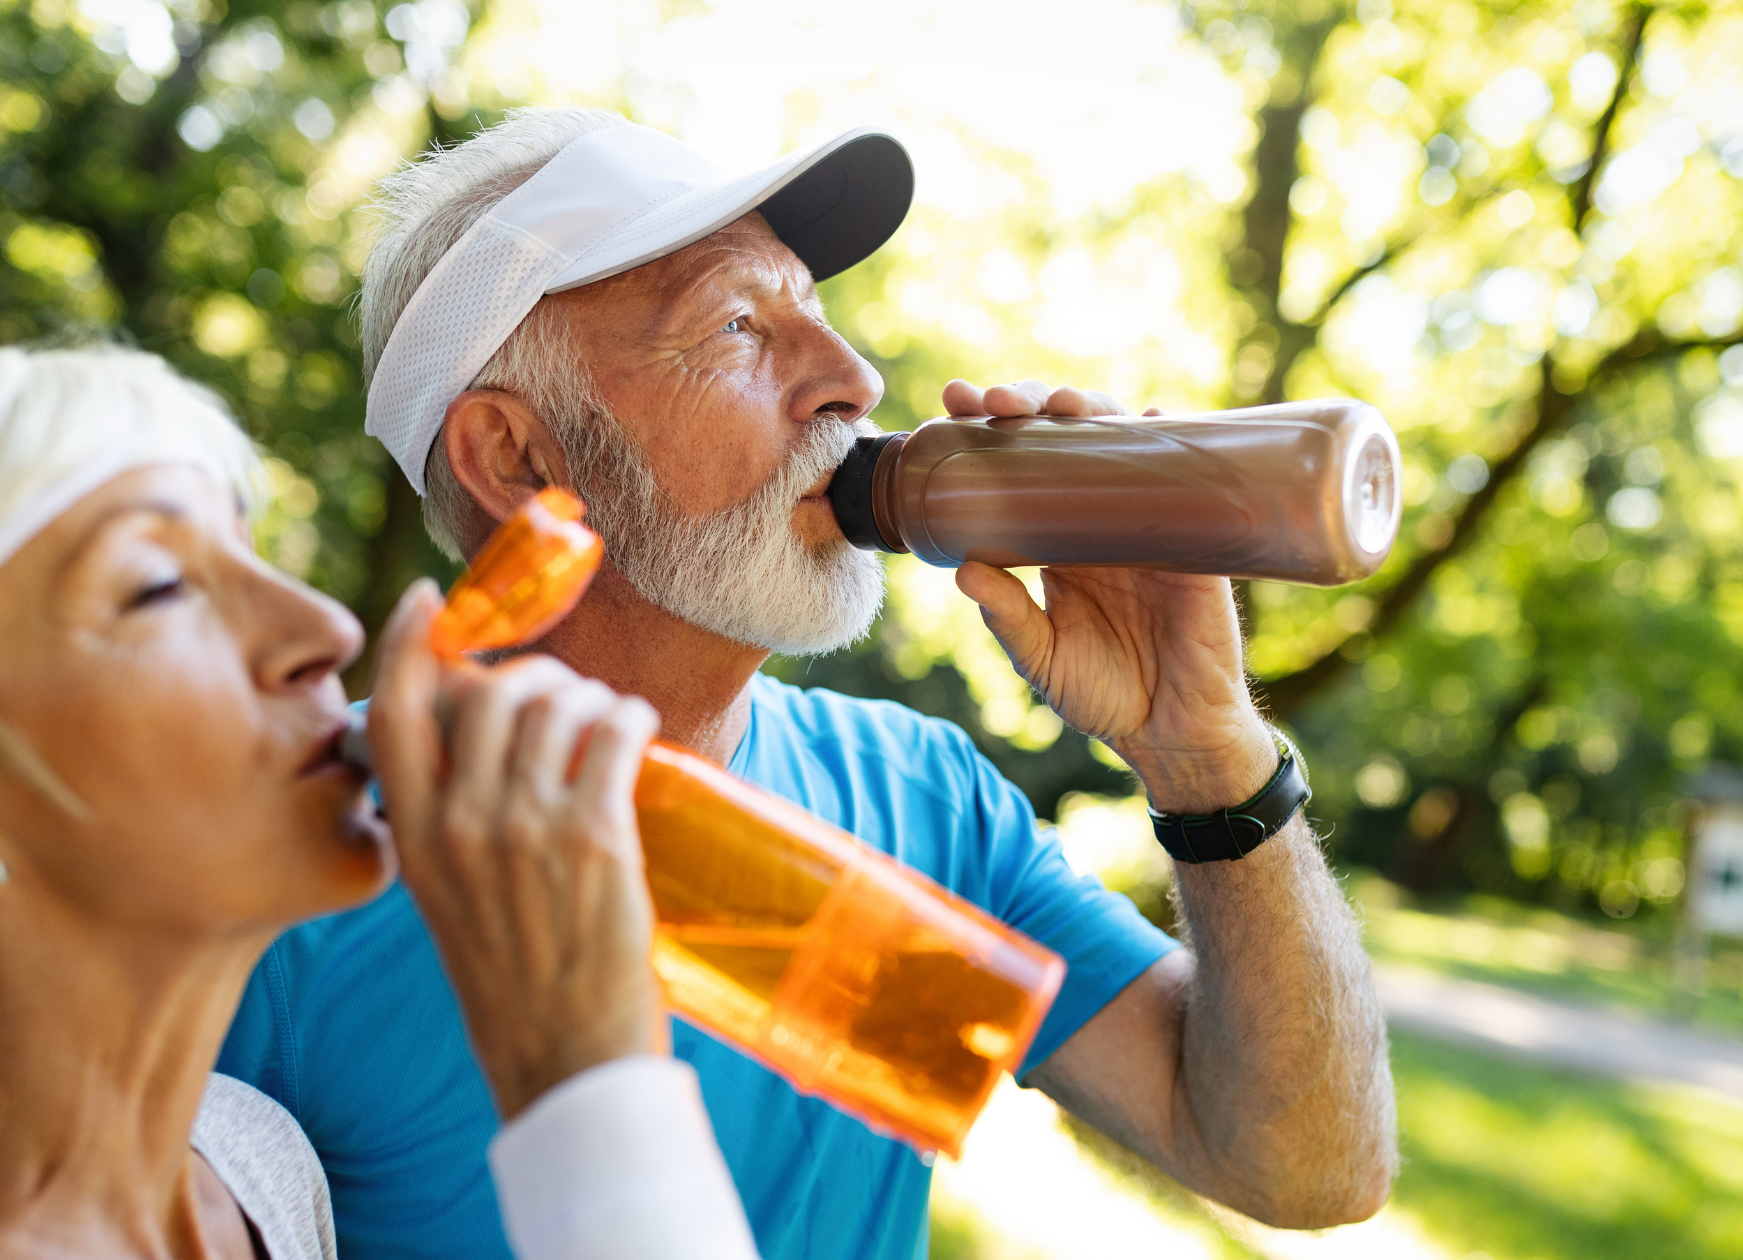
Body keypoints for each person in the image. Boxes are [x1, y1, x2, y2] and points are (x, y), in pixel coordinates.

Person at [219, 107, 1399, 1260]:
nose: (854, 378)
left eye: (818, 314)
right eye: (735, 326)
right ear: (519, 459)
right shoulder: (270, 879)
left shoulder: (922, 799)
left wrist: (1203, 754)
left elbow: (1299, 1170)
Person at [0, 346, 760, 1260]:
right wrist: (584, 1081)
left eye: (248, 553)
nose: (328, 634)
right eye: (157, 586)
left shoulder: (255, 1171)